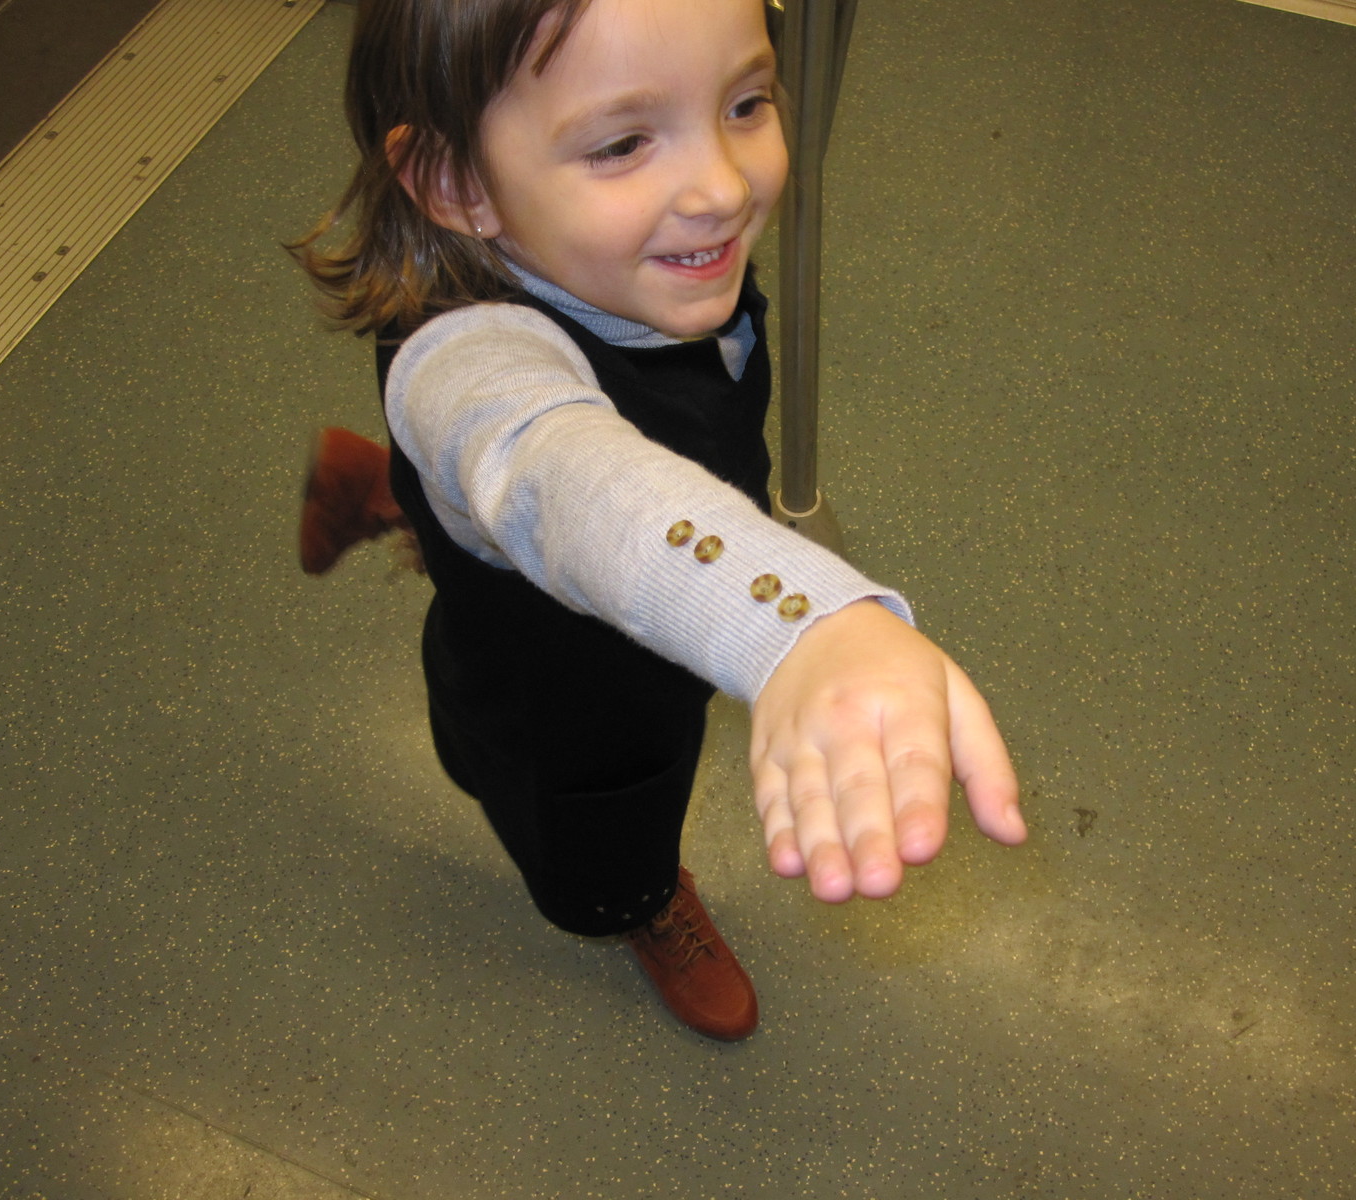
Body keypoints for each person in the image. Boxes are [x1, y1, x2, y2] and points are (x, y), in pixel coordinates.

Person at [290, 0, 1026, 1041]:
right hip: (568, 704)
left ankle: (402, 491)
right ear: (456, 183)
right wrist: (792, 621)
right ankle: (640, 900)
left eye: (744, 103)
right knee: (604, 835)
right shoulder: (469, 376)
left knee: (474, 498)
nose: (722, 187)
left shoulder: (643, 253)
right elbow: (565, 479)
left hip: (615, 556)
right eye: (623, 143)